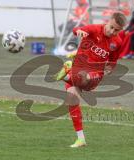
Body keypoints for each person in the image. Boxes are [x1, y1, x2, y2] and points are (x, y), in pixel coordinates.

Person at [54, 12, 126, 148]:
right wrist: (79, 31)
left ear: (120, 30)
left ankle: (67, 74)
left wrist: (110, 67)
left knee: (84, 77)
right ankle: (81, 139)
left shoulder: (117, 42)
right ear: (108, 21)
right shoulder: (94, 29)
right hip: (79, 68)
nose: (112, 31)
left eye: (116, 30)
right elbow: (76, 30)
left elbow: (113, 59)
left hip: (95, 73)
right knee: (72, 101)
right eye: (111, 27)